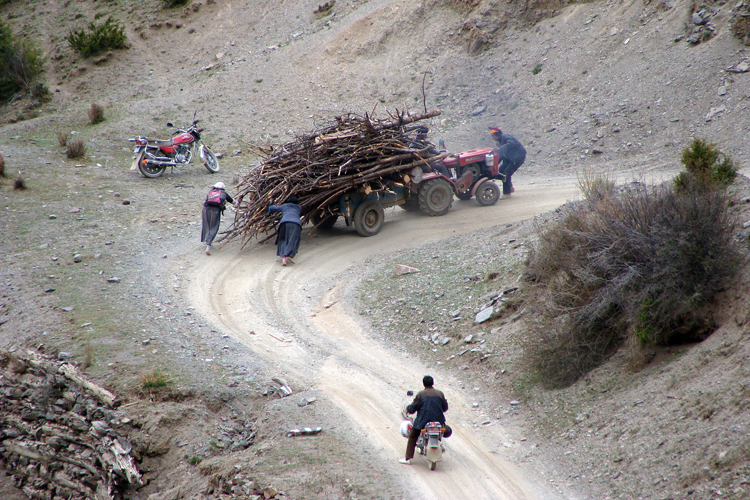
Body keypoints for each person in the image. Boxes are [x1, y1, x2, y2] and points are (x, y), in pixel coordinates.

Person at [400, 375, 448, 464]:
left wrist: (409, 409)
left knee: (413, 435)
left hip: (423, 421)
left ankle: (407, 458)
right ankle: (440, 444)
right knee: (442, 431)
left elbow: (413, 408)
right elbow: (445, 408)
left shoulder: (421, 394)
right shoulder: (440, 393)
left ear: (424, 384)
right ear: (433, 383)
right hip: (439, 421)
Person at [489, 126, 526, 197]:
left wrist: (500, 149)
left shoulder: (505, 136)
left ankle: (507, 193)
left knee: (506, 173)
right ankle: (510, 187)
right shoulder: (499, 142)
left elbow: (511, 144)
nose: (492, 137)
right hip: (510, 158)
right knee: (501, 170)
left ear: (497, 135)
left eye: (493, 135)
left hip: (517, 157)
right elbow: (501, 154)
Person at [201, 181, 234, 255]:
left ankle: (205, 239)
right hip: (215, 211)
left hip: (205, 209)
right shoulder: (223, 193)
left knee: (206, 225)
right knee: (214, 226)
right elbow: (232, 201)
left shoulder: (211, 191)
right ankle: (208, 245)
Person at [269, 197, 302, 266]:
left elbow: (272, 209)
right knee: (293, 239)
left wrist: (270, 205)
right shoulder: (298, 208)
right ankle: (290, 255)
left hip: (284, 223)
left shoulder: (285, 206)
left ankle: (283, 259)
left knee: (282, 239)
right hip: (296, 224)